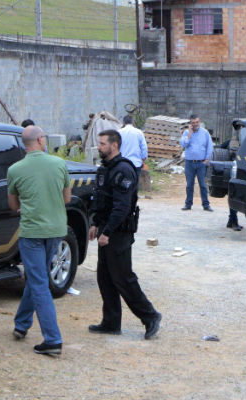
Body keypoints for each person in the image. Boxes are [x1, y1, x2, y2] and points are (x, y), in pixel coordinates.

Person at [88, 129, 161, 340]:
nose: (99, 147)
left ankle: (150, 316)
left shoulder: (123, 170)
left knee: (123, 278)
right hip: (106, 230)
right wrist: (95, 223)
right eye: (99, 143)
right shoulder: (105, 169)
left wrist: (107, 232)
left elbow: (122, 207)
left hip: (118, 233)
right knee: (105, 278)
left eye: (102, 144)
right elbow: (101, 200)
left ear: (115, 145)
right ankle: (111, 322)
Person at [7, 125, 71, 355]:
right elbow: (67, 198)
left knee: (38, 282)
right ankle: (21, 324)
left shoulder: (15, 169)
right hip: (55, 229)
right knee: (38, 279)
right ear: (41, 140)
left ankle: (53, 339)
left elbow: (13, 206)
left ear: (26, 144)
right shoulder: (59, 164)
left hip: (32, 232)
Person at [179, 114, 214, 211]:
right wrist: (189, 134)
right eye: (193, 123)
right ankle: (188, 204)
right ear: (190, 123)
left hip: (201, 163)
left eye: (197, 122)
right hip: (189, 163)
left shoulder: (205, 133)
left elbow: (210, 146)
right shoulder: (186, 133)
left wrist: (207, 159)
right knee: (189, 185)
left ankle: (206, 205)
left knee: (202, 185)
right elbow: (183, 144)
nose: (195, 124)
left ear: (200, 122)